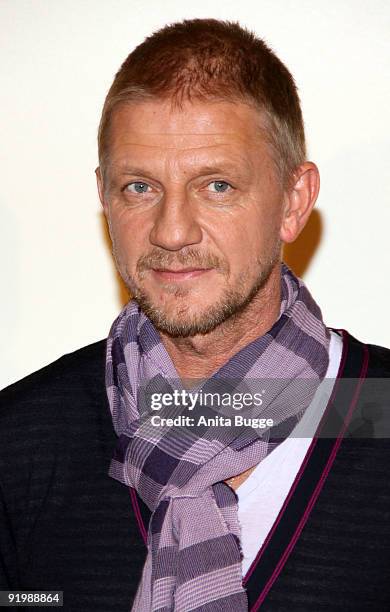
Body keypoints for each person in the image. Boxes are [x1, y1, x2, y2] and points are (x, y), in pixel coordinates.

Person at [1, 18, 389, 612]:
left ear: (293, 201)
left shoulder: (379, 415)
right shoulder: (23, 442)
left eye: (216, 185)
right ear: (103, 196)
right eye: (139, 188)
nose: (171, 230)